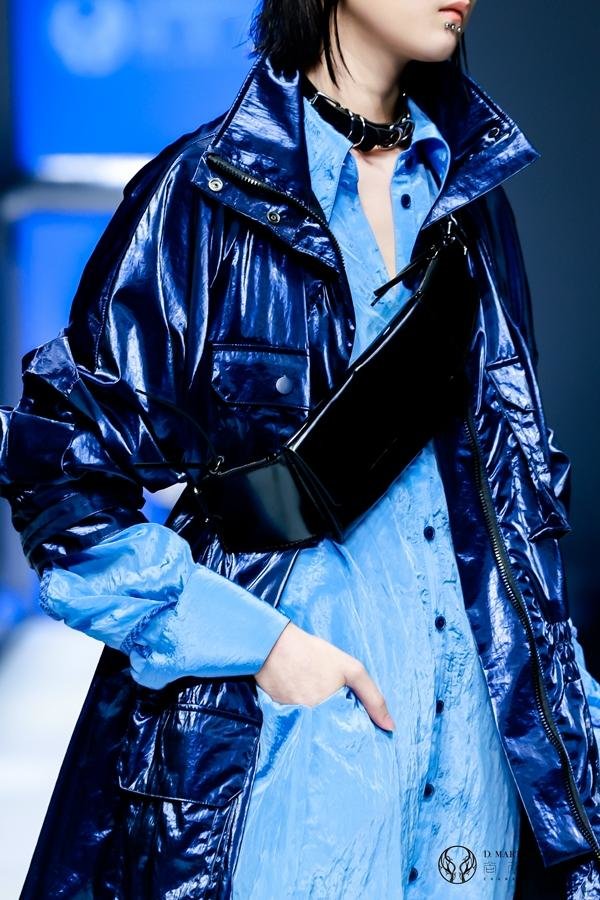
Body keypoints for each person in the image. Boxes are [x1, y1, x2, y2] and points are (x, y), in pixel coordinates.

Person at [2, 0, 600, 897]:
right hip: (287, 762)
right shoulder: (203, 193)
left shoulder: (473, 205)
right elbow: (60, 473)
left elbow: (518, 501)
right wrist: (266, 649)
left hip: (471, 768)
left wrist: (575, 735)